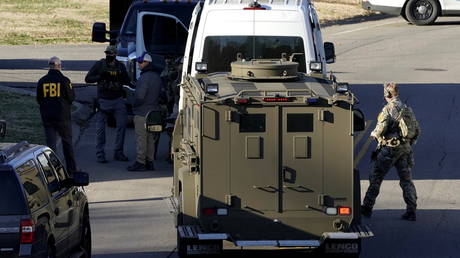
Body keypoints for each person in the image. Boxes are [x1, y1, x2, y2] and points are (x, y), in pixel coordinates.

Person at [362, 82, 420, 221]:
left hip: (390, 149)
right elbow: (416, 128)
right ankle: (411, 210)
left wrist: (373, 135)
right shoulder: (406, 108)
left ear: (387, 95)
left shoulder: (387, 109)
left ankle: (367, 207)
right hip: (404, 149)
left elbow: (379, 129)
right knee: (406, 180)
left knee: (376, 177)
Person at [85, 45, 131, 163]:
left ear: (115, 54)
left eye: (112, 54)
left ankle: (118, 152)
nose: (109, 56)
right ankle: (100, 153)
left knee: (122, 126)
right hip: (103, 100)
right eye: (108, 53)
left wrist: (120, 77)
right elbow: (88, 78)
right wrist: (100, 76)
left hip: (117, 99)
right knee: (101, 129)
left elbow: (127, 81)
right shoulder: (100, 64)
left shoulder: (120, 66)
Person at [36, 56, 77, 173]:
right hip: (62, 116)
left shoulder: (42, 81)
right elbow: (71, 98)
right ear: (59, 66)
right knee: (67, 142)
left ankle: (53, 170)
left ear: (49, 66)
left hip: (47, 116)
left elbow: (39, 98)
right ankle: (71, 169)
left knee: (51, 145)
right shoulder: (64, 80)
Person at [127, 52, 163, 171]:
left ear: (147, 63)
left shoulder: (144, 77)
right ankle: (150, 161)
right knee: (150, 138)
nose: (139, 64)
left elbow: (140, 96)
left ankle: (140, 162)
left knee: (141, 138)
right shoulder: (157, 76)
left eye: (141, 62)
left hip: (142, 112)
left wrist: (134, 105)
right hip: (154, 112)